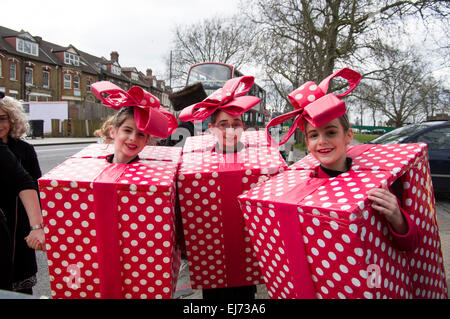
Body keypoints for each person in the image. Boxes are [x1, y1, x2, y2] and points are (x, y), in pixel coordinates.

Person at [267, 67, 420, 252]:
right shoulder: (301, 185)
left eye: (331, 132)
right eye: (314, 135)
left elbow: (409, 245)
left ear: (348, 135)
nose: (322, 141)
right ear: (307, 142)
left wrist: (397, 217)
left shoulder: (379, 183)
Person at [178, 76, 264, 301]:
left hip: (247, 259)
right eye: (223, 124)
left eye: (235, 124)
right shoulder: (195, 163)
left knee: (245, 298)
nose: (230, 130)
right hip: (210, 261)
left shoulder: (260, 162)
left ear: (243, 128)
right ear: (212, 129)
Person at [0, 95, 44, 294]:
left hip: (18, 222)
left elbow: (31, 184)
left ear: (12, 120)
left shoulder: (24, 150)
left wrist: (37, 226)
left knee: (19, 282)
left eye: (2, 118)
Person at [92, 81, 178, 164]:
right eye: (127, 130)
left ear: (146, 140)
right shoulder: (94, 167)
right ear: (112, 132)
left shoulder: (151, 175)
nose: (133, 138)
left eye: (141, 134)